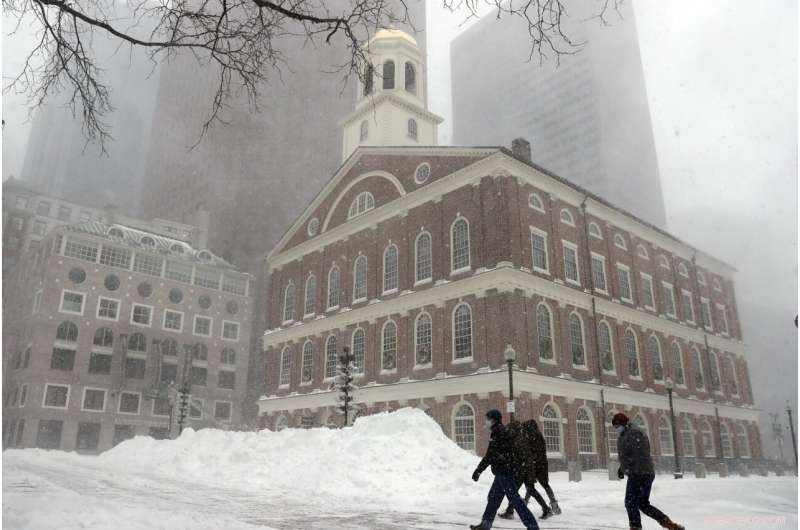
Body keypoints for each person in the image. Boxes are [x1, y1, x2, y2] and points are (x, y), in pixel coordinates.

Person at [612, 412, 685, 530]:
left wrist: (629, 468)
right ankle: (669, 524)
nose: (616, 429)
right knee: (643, 504)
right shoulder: (625, 434)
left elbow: (639, 454)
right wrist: (622, 468)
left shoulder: (634, 433)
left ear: (624, 424)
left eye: (617, 426)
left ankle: (635, 527)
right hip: (642, 472)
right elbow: (627, 455)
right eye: (615, 426)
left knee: (630, 502)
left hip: (639, 473)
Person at [470, 410, 539, 530]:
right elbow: (492, 454)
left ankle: (532, 526)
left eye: (488, 419)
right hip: (502, 472)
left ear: (494, 420)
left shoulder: (499, 432)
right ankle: (485, 524)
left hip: (505, 472)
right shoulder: (498, 431)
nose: (486, 421)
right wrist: (479, 470)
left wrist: (479, 470)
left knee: (515, 500)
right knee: (493, 497)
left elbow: (491, 455)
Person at [498, 419, 560, 520]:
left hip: (526, 468)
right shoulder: (526, 437)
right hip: (530, 467)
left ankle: (511, 511)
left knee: (517, 489)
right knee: (530, 489)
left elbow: (524, 455)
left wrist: (524, 466)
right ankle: (546, 508)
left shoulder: (522, 439)